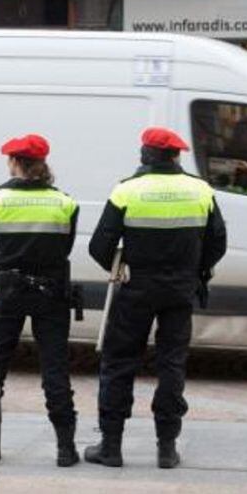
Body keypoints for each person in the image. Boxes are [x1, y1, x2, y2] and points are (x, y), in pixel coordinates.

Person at [85, 126, 227, 469]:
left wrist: (121, 266)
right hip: (180, 291)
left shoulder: (127, 191)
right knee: (172, 365)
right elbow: (217, 242)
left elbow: (99, 246)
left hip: (135, 289)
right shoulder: (200, 191)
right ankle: (166, 447)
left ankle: (112, 446)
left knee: (119, 364)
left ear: (144, 155)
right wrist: (196, 271)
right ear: (176, 156)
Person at [0, 133, 81, 467]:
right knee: (55, 368)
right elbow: (65, 247)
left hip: (8, 292)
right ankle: (66, 448)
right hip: (51, 293)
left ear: (14, 163)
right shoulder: (65, 202)